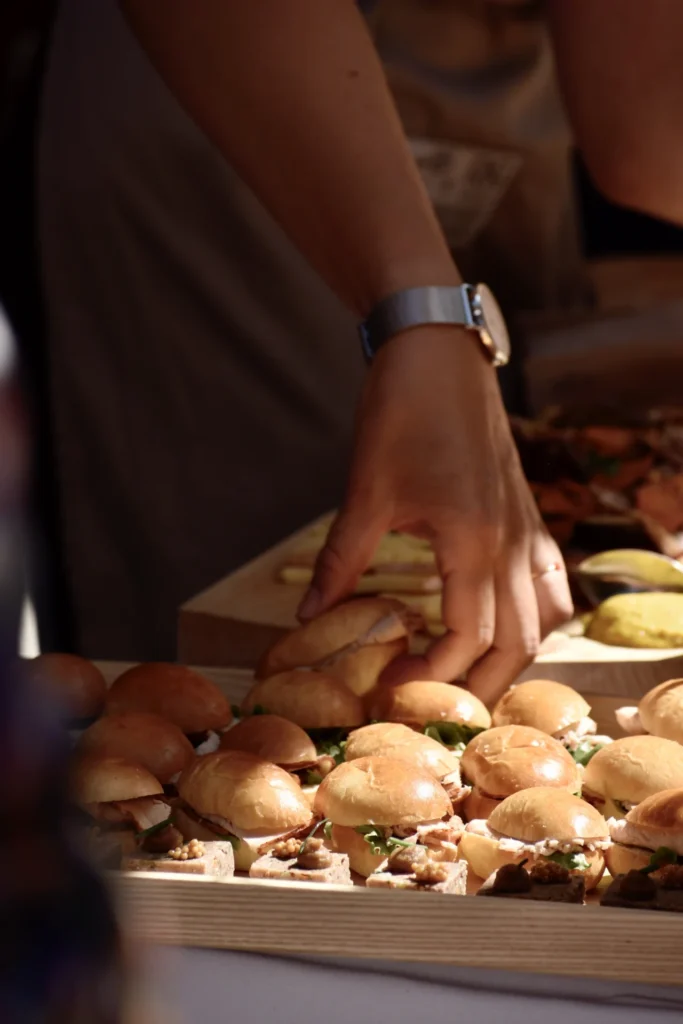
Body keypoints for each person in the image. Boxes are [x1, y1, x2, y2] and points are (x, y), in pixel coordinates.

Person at [37, 1, 679, 703]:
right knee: (247, 619)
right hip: (235, 68)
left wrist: (437, 320)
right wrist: (424, 313)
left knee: (479, 559)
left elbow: (646, 131)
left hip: (499, 89)